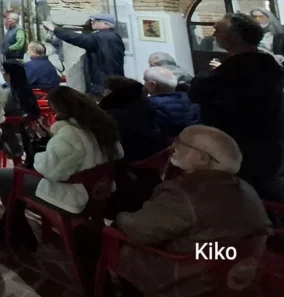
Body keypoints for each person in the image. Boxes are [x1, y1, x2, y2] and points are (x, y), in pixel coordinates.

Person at [74, 126, 271, 297]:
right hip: (227, 271)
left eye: (181, 143)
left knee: (87, 235)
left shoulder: (183, 191)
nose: (173, 147)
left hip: (183, 277)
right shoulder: (246, 188)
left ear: (202, 158)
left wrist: (119, 218)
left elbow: (139, 231)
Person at [0, 86, 123, 249]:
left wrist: (40, 154)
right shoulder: (101, 128)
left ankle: (14, 229)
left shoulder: (70, 135)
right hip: (99, 192)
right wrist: (53, 140)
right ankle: (11, 226)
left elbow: (49, 170)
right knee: (15, 179)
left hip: (72, 195)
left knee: (5, 176)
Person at [189, 13, 284, 200]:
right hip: (267, 143)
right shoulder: (264, 65)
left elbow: (199, 91)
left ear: (236, 37)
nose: (214, 34)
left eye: (218, 30)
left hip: (239, 147)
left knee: (241, 198)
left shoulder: (237, 71)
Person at [45, 13, 125, 97]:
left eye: (95, 21)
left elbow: (78, 39)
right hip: (113, 81)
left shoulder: (100, 37)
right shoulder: (115, 37)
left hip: (102, 85)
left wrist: (55, 29)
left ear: (106, 24)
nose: (92, 22)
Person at [99, 77, 167, 163]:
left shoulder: (113, 115)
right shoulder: (144, 102)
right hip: (154, 151)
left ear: (112, 92)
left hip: (133, 157)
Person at [0, 60, 40, 165]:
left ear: (8, 74)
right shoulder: (27, 90)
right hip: (27, 135)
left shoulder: (7, 94)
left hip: (12, 137)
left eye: (3, 72)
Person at [143, 66, 199, 138]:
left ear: (153, 85)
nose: (143, 84)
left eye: (145, 80)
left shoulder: (150, 107)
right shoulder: (190, 102)